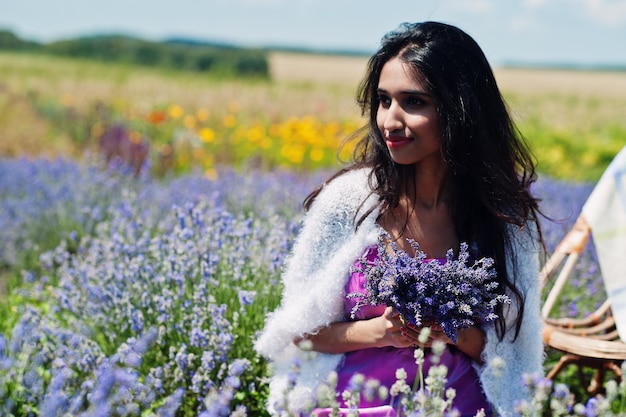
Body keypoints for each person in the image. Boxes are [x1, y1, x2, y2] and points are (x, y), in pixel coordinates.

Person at [255, 21, 545, 416]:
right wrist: (377, 333)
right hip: (353, 403)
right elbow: (300, 332)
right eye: (383, 100)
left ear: (459, 109)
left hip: (456, 404)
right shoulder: (348, 204)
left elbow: (513, 351)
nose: (390, 120)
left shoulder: (502, 218)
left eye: (414, 102)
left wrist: (452, 330)